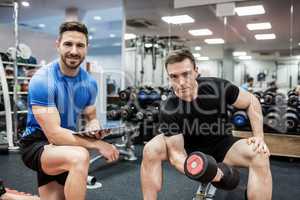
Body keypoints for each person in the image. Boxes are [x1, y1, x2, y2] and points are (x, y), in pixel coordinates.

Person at [140, 49, 272, 200]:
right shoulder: (168, 107)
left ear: (196, 71)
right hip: (189, 150)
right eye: (174, 77)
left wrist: (259, 137)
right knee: (150, 149)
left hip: (224, 146)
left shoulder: (217, 87)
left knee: (260, 154)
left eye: (186, 74)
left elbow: (251, 101)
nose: (181, 82)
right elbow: (177, 155)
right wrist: (205, 169)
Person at [19, 21, 119, 200]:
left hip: (66, 144)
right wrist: (98, 145)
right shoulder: (43, 80)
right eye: (68, 44)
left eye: (80, 45)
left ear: (87, 48)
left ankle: (6, 196)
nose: (74, 51)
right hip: (38, 144)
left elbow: (91, 116)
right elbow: (54, 135)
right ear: (58, 45)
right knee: (80, 156)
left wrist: (94, 128)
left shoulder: (90, 83)